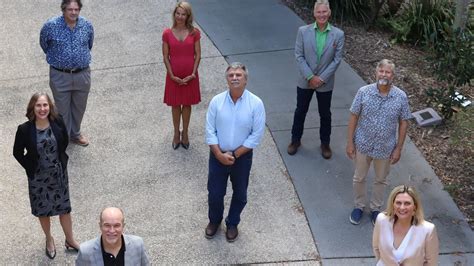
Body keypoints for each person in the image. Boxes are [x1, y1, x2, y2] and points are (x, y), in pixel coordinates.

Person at [13, 92, 80, 259]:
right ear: (32, 108)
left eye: (45, 105)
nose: (42, 109)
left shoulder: (58, 122)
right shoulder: (24, 129)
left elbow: (63, 141)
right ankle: (49, 240)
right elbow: (17, 152)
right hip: (38, 179)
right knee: (44, 211)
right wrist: (31, 167)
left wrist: (59, 161)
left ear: (50, 107)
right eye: (38, 105)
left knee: (65, 209)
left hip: (58, 174)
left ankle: (70, 240)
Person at [205, 62, 266, 242]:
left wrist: (236, 154)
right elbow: (210, 130)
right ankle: (214, 221)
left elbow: (257, 134)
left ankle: (232, 223)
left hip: (242, 157)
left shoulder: (256, 103)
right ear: (227, 79)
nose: (234, 78)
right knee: (215, 193)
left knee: (240, 194)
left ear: (246, 80)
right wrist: (218, 154)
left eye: (238, 75)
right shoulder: (216, 101)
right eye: (231, 75)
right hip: (217, 155)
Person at [347, 59, 412, 225]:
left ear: (393, 76)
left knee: (381, 180)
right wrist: (350, 142)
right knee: (359, 177)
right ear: (376, 73)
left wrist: (398, 148)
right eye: (381, 71)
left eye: (388, 72)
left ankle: (376, 209)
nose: (384, 74)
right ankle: (358, 207)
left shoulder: (400, 97)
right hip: (363, 143)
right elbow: (354, 115)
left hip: (385, 148)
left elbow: (404, 122)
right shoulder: (364, 92)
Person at [287, 0, 344, 159]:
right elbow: (299, 55)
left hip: (325, 83)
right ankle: (295, 140)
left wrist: (321, 78)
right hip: (305, 80)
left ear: (329, 13)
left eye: (324, 12)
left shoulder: (338, 35)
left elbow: (337, 60)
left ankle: (325, 144)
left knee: (325, 114)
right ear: (314, 13)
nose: (322, 15)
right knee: (300, 111)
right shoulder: (302, 31)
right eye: (319, 12)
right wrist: (311, 77)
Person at [40, 0, 94, 147]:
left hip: (82, 74)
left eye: (76, 9)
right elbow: (44, 44)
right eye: (70, 9)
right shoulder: (51, 26)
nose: (74, 12)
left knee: (79, 107)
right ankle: (63, 136)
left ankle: (75, 134)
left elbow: (89, 44)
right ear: (63, 10)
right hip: (60, 75)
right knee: (62, 109)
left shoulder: (86, 25)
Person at [162, 1, 201, 150]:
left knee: (187, 104)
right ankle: (175, 133)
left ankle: (185, 132)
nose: (180, 16)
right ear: (174, 14)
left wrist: (193, 74)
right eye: (178, 13)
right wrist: (171, 75)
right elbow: (165, 56)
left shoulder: (194, 33)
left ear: (188, 16)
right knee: (175, 105)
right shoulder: (166, 33)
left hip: (190, 76)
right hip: (173, 75)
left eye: (183, 14)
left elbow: (198, 55)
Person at [373, 185, 439, 265]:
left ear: (415, 207)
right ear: (393, 205)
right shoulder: (382, 220)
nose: (402, 207)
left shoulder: (428, 230)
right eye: (398, 203)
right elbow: (376, 247)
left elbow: (431, 262)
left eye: (407, 203)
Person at [76, 207, 150, 265]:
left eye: (116, 225)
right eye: (107, 225)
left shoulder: (138, 245)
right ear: (100, 226)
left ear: (123, 226)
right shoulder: (85, 252)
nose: (112, 230)